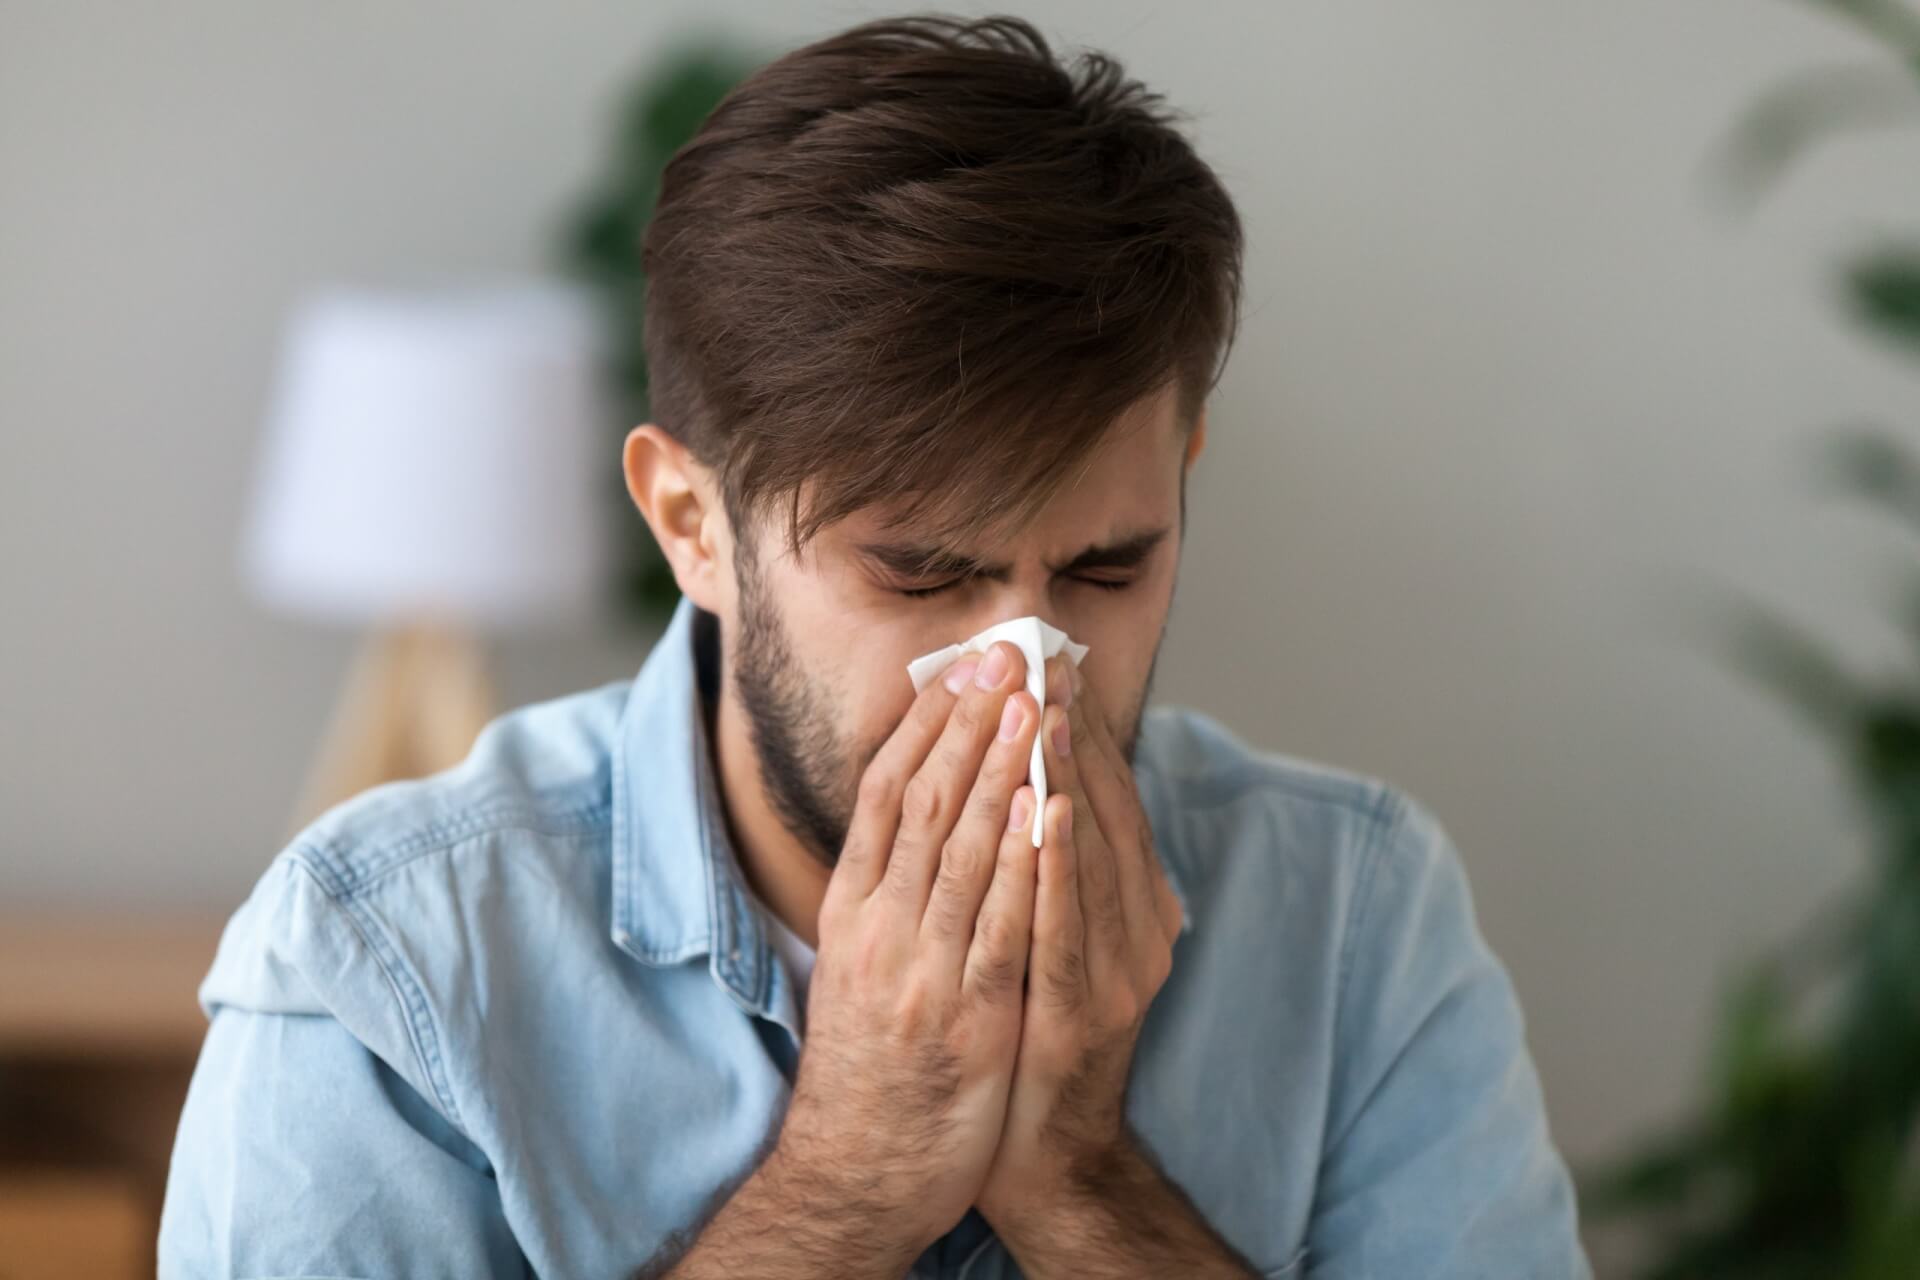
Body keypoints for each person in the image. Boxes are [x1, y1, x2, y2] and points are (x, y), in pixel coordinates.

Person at [159, 12, 1589, 1278]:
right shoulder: (385, 972)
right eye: (919, 575)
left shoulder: (1356, 921)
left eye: (1107, 565)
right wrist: (844, 1185)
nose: (1023, 670)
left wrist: (1080, 1187)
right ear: (690, 524)